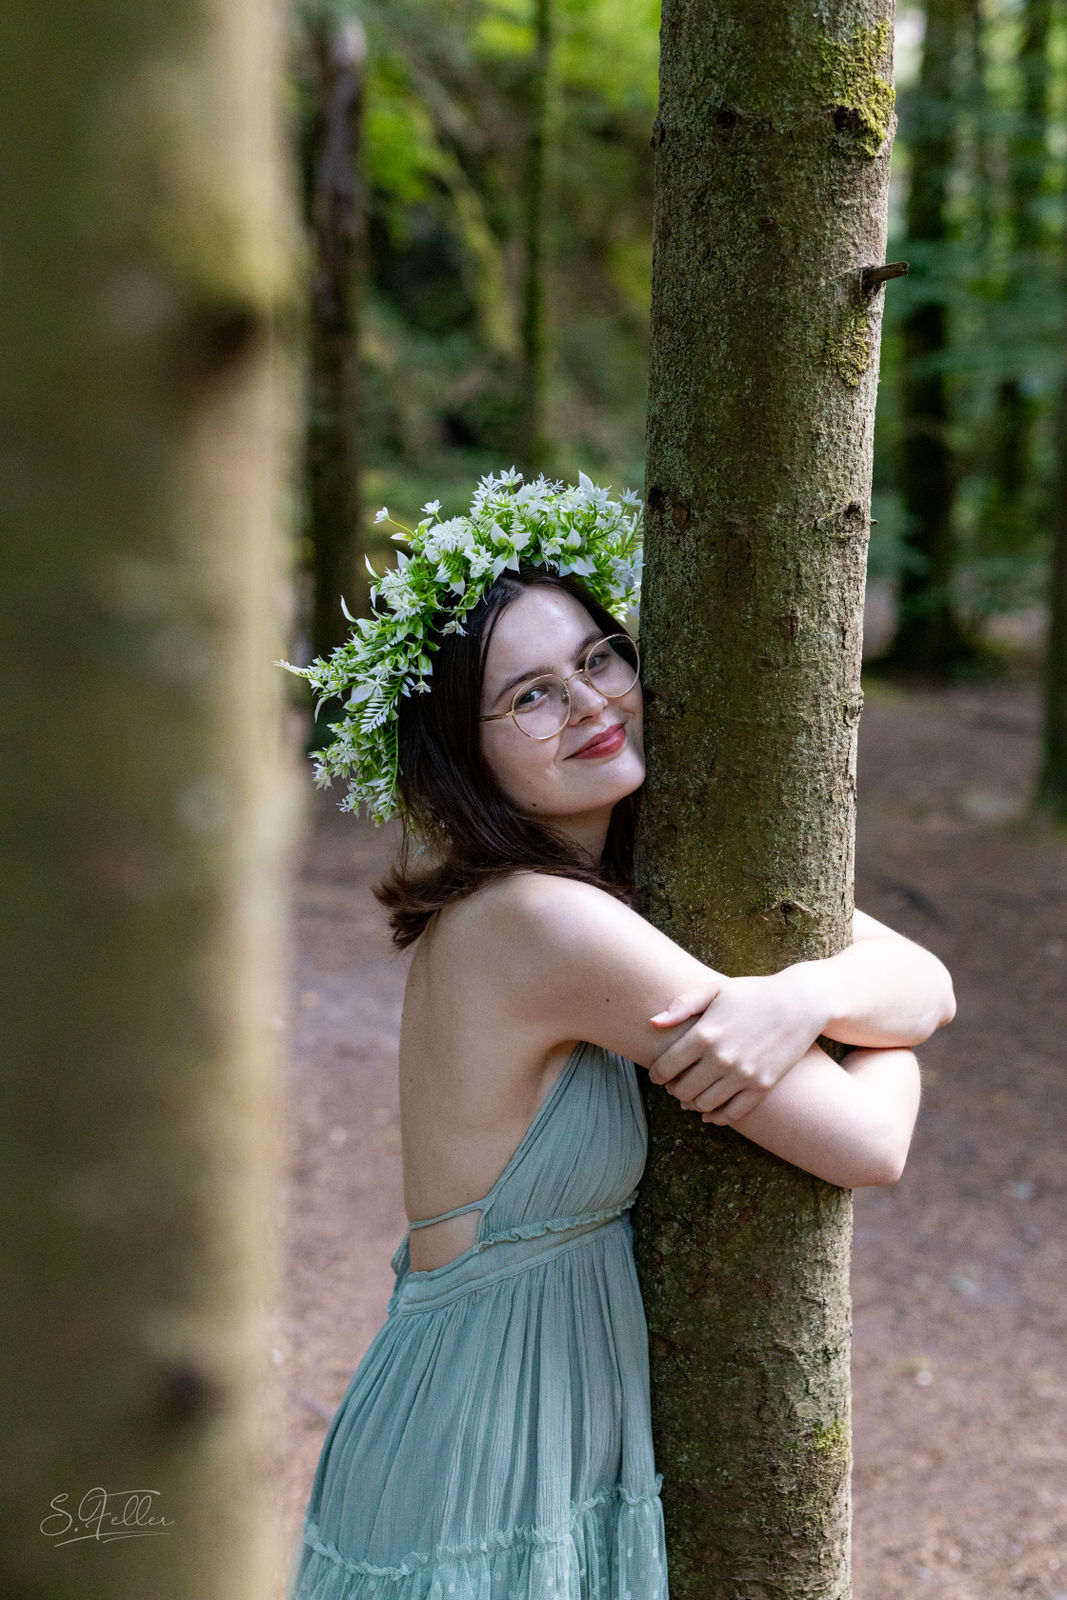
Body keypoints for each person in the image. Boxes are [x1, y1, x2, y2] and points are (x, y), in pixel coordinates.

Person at [279, 471, 956, 1600]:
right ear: (466, 749)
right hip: (484, 1446)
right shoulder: (549, 925)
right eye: (529, 696)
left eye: (598, 658)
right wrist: (854, 1026)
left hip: (521, 1417)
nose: (590, 701)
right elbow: (865, 1142)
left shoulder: (609, 895)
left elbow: (922, 979)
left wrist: (792, 997)